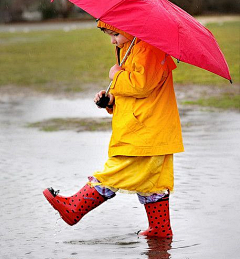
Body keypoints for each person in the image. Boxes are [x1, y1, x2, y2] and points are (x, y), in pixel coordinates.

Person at [43, 21, 184, 238]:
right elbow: (136, 94)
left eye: (115, 34)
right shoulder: (133, 48)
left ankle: (75, 208)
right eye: (110, 35)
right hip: (148, 129)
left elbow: (141, 85)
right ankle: (160, 228)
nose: (112, 40)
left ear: (130, 28)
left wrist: (115, 74)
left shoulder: (148, 49)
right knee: (154, 182)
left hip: (146, 131)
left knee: (115, 171)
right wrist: (110, 101)